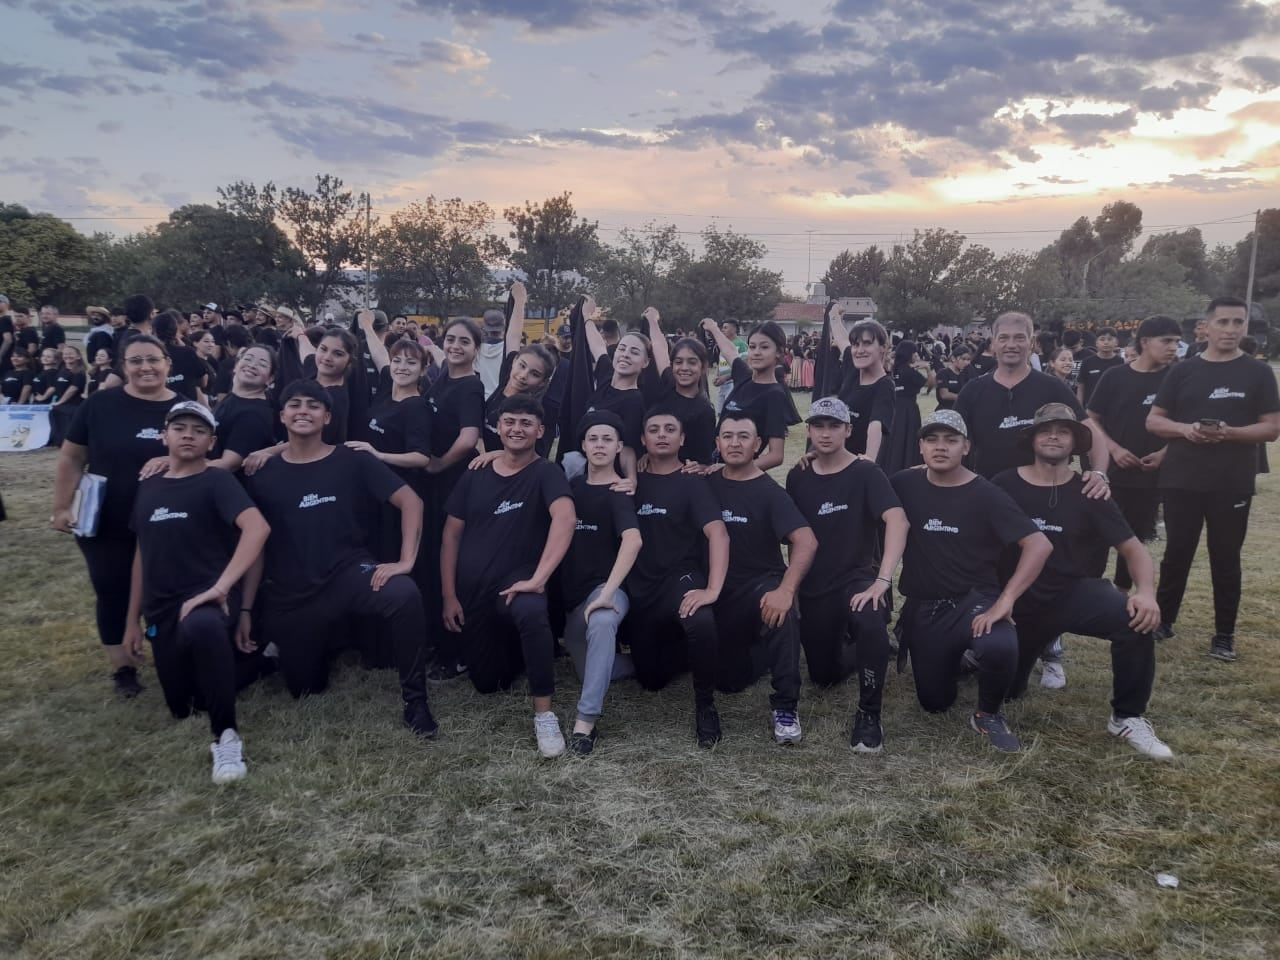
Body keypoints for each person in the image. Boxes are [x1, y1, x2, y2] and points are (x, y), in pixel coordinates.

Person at [241, 379, 436, 737]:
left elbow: (411, 501)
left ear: (327, 416)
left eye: (313, 405)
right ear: (282, 415)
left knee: (404, 594)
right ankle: (314, 644)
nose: (304, 411)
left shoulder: (352, 460)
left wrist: (405, 561)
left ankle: (416, 701)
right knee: (304, 689)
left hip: (348, 574)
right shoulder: (262, 473)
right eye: (295, 404)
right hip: (293, 591)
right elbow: (255, 546)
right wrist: (246, 610)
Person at [990, 403, 1171, 758]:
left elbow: (1134, 550)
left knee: (1134, 620)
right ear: (1033, 439)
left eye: (1063, 431)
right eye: (1046, 430)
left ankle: (1127, 717)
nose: (1054, 436)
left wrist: (1146, 593)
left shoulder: (1091, 491)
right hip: (1018, 602)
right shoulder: (1004, 483)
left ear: (1075, 443)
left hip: (1072, 593)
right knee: (1008, 691)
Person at [124, 401, 271, 782]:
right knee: (184, 705)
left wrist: (223, 588)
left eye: (199, 430)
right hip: (161, 610)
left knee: (204, 629)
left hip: (207, 599)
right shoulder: (149, 486)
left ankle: (226, 738)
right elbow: (143, 554)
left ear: (212, 442)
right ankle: (258, 664)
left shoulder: (218, 481)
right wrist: (131, 622)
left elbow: (258, 529)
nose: (188, 434)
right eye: (180, 427)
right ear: (164, 436)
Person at [890, 409, 1052, 753]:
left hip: (974, 600)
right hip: (926, 606)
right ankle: (958, 658)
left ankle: (988, 713)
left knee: (999, 644)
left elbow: (1039, 544)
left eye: (951, 440)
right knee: (934, 703)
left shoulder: (986, 494)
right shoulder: (904, 483)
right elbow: (863, 485)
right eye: (932, 440)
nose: (940, 447)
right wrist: (818, 454)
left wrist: (1006, 600)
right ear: (920, 447)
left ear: (966, 447)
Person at [440, 394, 575, 757]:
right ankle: (521, 651)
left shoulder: (547, 472)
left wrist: (540, 577)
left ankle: (544, 716)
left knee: (531, 610)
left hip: (517, 585)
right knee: (488, 683)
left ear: (540, 430)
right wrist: (449, 595)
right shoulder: (476, 473)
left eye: (526, 423)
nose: (517, 429)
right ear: (498, 427)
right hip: (473, 592)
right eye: (510, 421)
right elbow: (451, 534)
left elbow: (565, 519)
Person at [1146, 296, 1280, 662]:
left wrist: (1230, 433)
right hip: (1182, 478)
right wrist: (1186, 429)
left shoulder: (1258, 372)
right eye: (1224, 322)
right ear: (1207, 327)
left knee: (1225, 557)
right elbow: (1155, 420)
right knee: (1176, 553)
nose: (1232, 330)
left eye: (1239, 323)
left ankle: (1224, 635)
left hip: (1231, 480)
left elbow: (1272, 428)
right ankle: (1164, 621)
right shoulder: (1183, 370)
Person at [52, 335, 178, 697]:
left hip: (163, 520)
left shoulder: (182, 408)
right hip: (105, 518)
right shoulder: (100, 405)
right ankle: (123, 668)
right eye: (135, 361)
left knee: (161, 591)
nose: (145, 368)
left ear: (167, 363)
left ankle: (167, 651)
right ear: (123, 367)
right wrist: (62, 507)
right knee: (111, 589)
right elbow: (72, 457)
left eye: (153, 359)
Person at [786, 397, 907, 753]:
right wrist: (791, 587)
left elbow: (897, 520)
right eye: (819, 426)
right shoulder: (799, 475)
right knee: (823, 677)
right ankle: (873, 648)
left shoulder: (866, 472)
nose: (825, 434)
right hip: (814, 586)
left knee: (869, 618)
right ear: (808, 431)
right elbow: (795, 537)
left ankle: (869, 714)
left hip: (857, 580)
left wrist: (882, 581)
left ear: (848, 430)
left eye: (834, 426)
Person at [706, 414, 817, 744]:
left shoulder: (770, 493)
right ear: (717, 444)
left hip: (757, 587)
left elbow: (806, 540)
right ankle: (764, 652)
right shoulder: (705, 482)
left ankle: (785, 705)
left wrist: (786, 588)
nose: (735, 443)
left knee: (781, 608)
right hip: (714, 592)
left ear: (758, 445)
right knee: (727, 682)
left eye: (743, 436)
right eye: (727, 436)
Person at [625, 411, 729, 747]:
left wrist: (712, 588)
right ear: (643, 440)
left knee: (699, 619)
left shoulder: (692, 482)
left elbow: (718, 534)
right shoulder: (631, 481)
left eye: (671, 429)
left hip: (680, 578)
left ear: (682, 439)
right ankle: (685, 648)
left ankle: (705, 706)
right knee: (651, 680)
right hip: (641, 588)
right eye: (653, 430)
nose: (662, 435)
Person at [559, 411, 642, 754]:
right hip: (573, 603)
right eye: (593, 438)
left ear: (619, 447)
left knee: (604, 620)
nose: (599, 445)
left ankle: (585, 723)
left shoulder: (620, 491)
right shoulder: (571, 487)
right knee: (590, 668)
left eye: (608, 439)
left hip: (607, 592)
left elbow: (633, 540)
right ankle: (654, 660)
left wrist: (607, 594)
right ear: (583, 445)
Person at [1086, 315, 1182, 590]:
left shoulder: (1175, 379)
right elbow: (1091, 417)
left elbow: (1183, 423)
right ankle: (1090, 591)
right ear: (1145, 342)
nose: (1173, 347)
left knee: (1135, 537)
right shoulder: (1115, 376)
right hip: (1111, 473)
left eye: (1177, 341)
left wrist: (1165, 452)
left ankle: (1122, 592)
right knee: (1097, 535)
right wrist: (1114, 449)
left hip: (1151, 476)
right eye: (1166, 341)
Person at [421, 317, 486, 680]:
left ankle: (456, 652)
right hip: (432, 483)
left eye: (464, 341)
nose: (455, 346)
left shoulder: (470, 386)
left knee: (451, 563)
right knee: (432, 559)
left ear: (476, 349)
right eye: (450, 339)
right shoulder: (441, 378)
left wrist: (438, 464)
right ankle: (436, 639)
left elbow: (468, 437)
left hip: (453, 483)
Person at [702, 317, 797, 472]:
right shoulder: (743, 376)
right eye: (752, 347)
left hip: (738, 477)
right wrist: (713, 328)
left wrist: (730, 469)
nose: (756, 353)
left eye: (764, 347)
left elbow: (776, 456)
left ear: (779, 353)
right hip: (713, 467)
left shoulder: (775, 395)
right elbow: (730, 351)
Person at [480, 283, 558, 457]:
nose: (523, 375)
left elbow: (531, 454)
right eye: (522, 366)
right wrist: (520, 301)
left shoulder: (530, 409)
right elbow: (513, 335)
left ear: (542, 382)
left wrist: (492, 455)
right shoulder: (507, 376)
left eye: (534, 374)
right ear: (514, 361)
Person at [579, 298, 650, 481]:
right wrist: (587, 316)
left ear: (645, 362)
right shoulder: (606, 375)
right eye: (622, 349)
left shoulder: (634, 401)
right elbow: (598, 347)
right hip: (585, 472)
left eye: (634, 352)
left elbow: (628, 447)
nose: (625, 355)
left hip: (609, 479)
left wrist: (631, 479)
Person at [643, 308, 716, 465]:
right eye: (678, 362)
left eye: (692, 362)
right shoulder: (669, 381)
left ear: (703, 368)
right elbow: (659, 347)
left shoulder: (704, 410)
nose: (684, 368)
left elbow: (704, 460)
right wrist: (653, 320)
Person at [827, 307, 894, 463]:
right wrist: (834, 316)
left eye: (867, 343)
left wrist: (868, 459)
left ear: (882, 348)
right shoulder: (854, 366)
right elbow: (842, 340)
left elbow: (876, 426)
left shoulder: (885, 385)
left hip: (857, 462)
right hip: (836, 457)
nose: (859, 350)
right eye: (856, 344)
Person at [884, 340, 931, 474]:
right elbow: (931, 384)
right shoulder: (910, 372)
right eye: (914, 352)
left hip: (893, 407)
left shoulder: (893, 369)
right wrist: (927, 369)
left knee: (893, 439)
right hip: (908, 409)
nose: (916, 355)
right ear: (909, 354)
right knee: (908, 439)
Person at [154, 310, 208, 403]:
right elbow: (203, 382)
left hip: (161, 405)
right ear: (175, 330)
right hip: (187, 406)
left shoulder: (152, 357)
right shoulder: (188, 352)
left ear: (154, 331)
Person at [1076, 327, 1124, 407]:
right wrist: (1079, 409)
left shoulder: (1121, 362)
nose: (1106, 342)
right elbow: (1081, 388)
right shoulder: (1087, 362)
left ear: (1116, 342)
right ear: (1096, 343)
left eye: (1110, 339)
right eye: (1102, 339)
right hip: (1090, 408)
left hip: (1115, 408)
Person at [711, 318, 748, 412]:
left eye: (725, 327)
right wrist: (717, 375)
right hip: (722, 384)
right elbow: (720, 363)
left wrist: (726, 377)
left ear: (734, 329)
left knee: (729, 411)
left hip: (733, 383)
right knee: (720, 411)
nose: (722, 330)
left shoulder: (741, 345)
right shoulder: (723, 345)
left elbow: (743, 367)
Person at [934, 346, 971, 411]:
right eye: (963, 359)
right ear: (953, 358)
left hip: (962, 409)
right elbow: (944, 395)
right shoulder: (943, 373)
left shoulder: (966, 373)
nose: (967, 362)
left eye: (968, 360)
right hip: (946, 410)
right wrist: (964, 397)